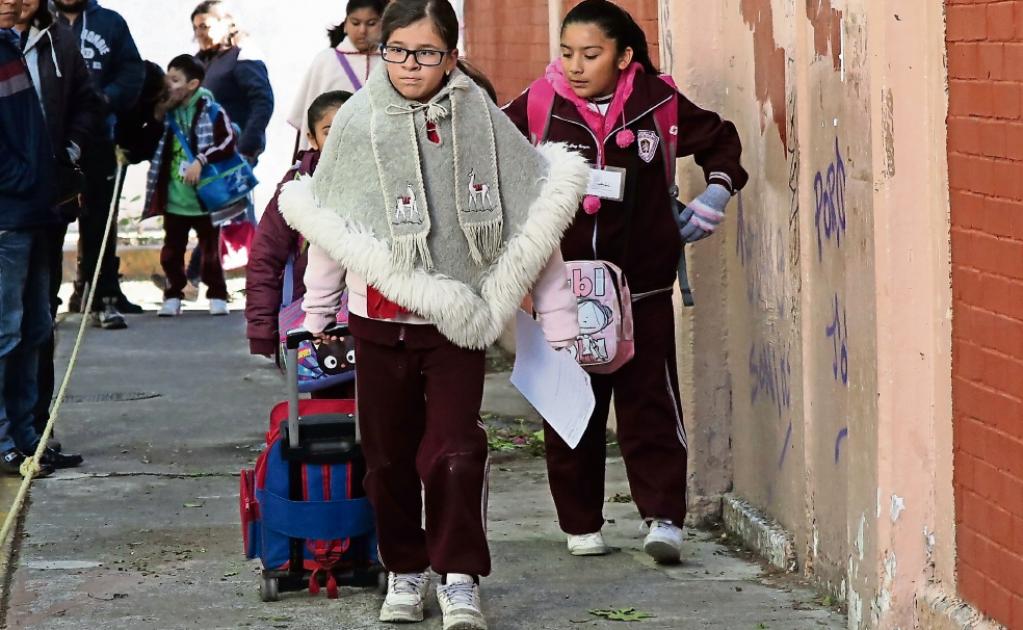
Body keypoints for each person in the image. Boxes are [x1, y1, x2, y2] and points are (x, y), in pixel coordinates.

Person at [278, 0, 588, 626]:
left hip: (456, 321)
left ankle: (458, 574)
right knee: (386, 455)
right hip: (376, 319)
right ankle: (404, 569)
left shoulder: (482, 119)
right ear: (380, 51)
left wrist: (559, 320)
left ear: (451, 53)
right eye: (397, 52)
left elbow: (534, 217)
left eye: (426, 53)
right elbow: (334, 223)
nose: (410, 65)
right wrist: (316, 316)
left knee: (454, 451)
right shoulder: (358, 120)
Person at [503, 0, 748, 565]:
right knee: (571, 409)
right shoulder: (540, 105)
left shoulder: (656, 104)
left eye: (591, 55)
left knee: (650, 405)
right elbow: (487, 154)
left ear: (624, 56)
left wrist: (713, 197)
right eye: (567, 54)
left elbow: (721, 141)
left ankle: (664, 518)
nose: (576, 66)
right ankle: (581, 522)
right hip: (564, 293)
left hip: (643, 290)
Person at [15, 0, 102, 456]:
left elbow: (89, 101)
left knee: (38, 320)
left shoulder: (57, 39)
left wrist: (68, 149)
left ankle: (35, 433)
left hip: (45, 201)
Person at [0, 0, 81, 476]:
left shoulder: (17, 46)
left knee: (34, 327)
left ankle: (29, 435)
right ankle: (6, 438)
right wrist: (25, 177)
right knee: (6, 332)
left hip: (36, 212)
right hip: (9, 213)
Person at [54, 0, 144, 329]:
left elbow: (132, 71)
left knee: (99, 221)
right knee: (50, 221)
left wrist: (106, 99)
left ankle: (102, 298)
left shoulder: (110, 22)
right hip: (51, 139)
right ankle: (47, 302)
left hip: (98, 136)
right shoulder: (39, 19)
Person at [245, 90, 350, 360]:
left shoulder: (389, 178)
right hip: (315, 325)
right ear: (312, 139)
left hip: (376, 324)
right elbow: (265, 257)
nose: (342, 139)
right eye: (329, 131)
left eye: (351, 127)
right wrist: (262, 329)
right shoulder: (297, 187)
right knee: (328, 399)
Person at [141, 54, 237, 318]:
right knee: (172, 249)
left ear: (193, 84)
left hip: (206, 196)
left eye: (175, 79)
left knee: (210, 251)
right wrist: (161, 109)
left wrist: (202, 160)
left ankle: (217, 293)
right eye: (168, 78)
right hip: (174, 195)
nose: (168, 84)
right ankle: (173, 295)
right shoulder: (167, 109)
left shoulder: (211, 110)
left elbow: (228, 140)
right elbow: (150, 134)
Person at [287, 0, 385, 152]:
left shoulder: (391, 61)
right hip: (330, 152)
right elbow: (307, 120)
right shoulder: (325, 61)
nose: (362, 31)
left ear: (382, 25)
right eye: (355, 23)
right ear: (345, 24)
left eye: (371, 23)